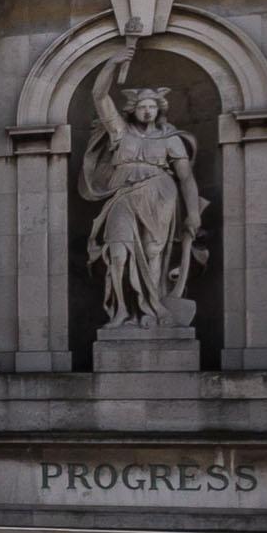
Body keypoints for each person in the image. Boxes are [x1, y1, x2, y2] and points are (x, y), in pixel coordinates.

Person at [80, 49, 206, 328]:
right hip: (123, 196)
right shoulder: (120, 132)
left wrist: (193, 213)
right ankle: (121, 311)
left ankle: (152, 308)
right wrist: (111, 63)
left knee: (153, 252)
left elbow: (186, 178)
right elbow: (99, 97)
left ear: (159, 108)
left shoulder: (171, 139)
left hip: (160, 195)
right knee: (118, 252)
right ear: (132, 109)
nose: (147, 110)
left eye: (152, 106)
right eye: (142, 106)